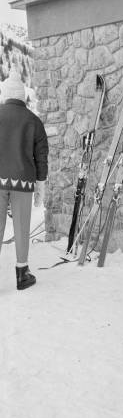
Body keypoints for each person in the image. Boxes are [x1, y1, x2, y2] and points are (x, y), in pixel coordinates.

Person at [0, 68, 48, 290]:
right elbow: (41, 156)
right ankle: (22, 274)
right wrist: (41, 186)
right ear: (22, 95)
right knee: (21, 227)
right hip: (24, 181)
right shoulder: (33, 120)